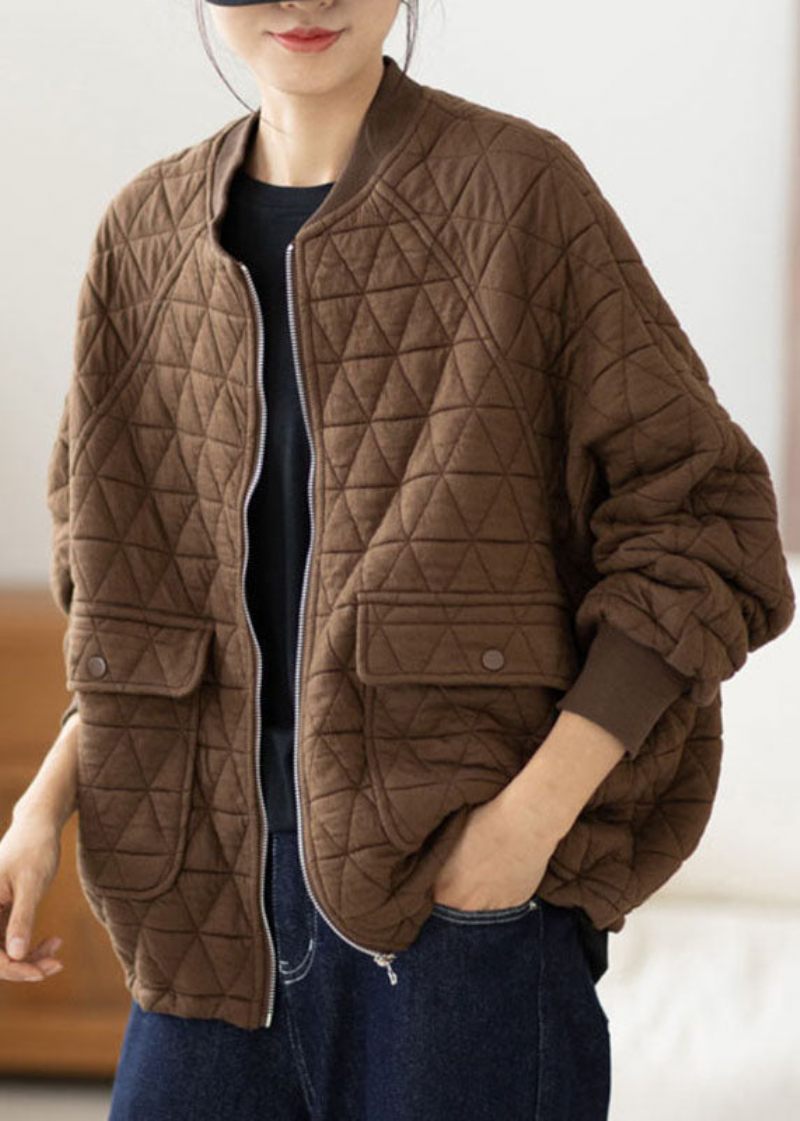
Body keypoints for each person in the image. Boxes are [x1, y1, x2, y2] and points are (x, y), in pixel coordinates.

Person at [1, 2, 795, 1118]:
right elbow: (136, 590)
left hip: (459, 929)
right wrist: (43, 806)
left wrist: (523, 829)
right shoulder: (143, 239)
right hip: (200, 923)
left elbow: (705, 520)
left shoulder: (520, 196)